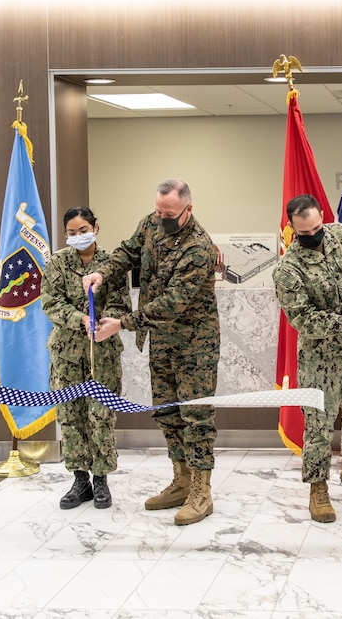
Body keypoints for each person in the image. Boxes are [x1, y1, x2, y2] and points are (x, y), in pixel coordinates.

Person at [83, 179, 221, 526]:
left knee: (195, 417)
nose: (161, 218)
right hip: (160, 341)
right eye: (158, 211)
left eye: (169, 213)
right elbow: (129, 252)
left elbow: (172, 303)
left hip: (194, 345)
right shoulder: (151, 222)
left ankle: (201, 493)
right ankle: (181, 480)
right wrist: (102, 272)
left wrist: (123, 323)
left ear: (188, 210)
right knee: (167, 412)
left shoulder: (198, 248)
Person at [272, 194, 342, 523]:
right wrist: (341, 322)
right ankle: (318, 488)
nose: (313, 236)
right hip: (318, 358)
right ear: (293, 229)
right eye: (304, 233)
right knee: (319, 426)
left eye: (317, 228)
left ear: (323, 216)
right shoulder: (288, 268)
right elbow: (301, 318)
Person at [42, 206, 130, 510]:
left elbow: (121, 304)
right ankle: (80, 480)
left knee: (101, 416)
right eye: (71, 233)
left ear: (96, 227)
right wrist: (80, 318)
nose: (78, 237)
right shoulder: (56, 263)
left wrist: (108, 323)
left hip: (102, 354)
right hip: (66, 354)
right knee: (70, 417)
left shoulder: (111, 265)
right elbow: (50, 303)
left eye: (83, 230)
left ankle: (101, 479)